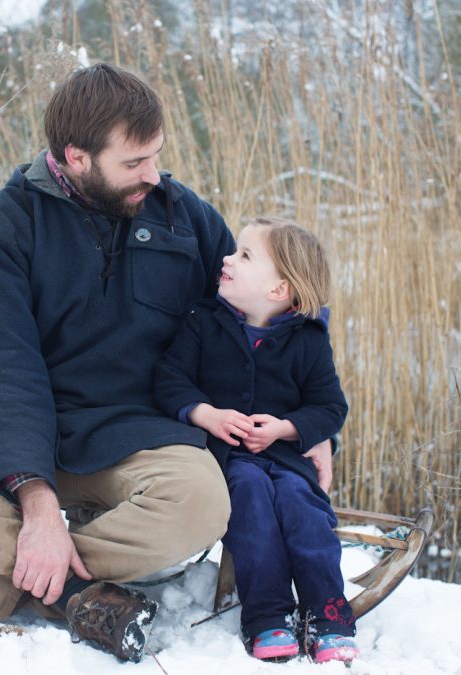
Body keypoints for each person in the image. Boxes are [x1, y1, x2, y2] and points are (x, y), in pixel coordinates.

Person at [0, 64, 241, 663]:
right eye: (134, 163)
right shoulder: (6, 228)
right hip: (29, 426)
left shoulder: (184, 218)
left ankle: (4, 581)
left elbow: (259, 322)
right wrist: (37, 503)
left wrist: (308, 426)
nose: (155, 175)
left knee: (201, 503)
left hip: (140, 433)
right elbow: (5, 370)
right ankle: (76, 594)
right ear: (77, 157)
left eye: (156, 156)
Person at [154, 218, 358, 664]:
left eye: (244, 255)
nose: (227, 257)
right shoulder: (204, 322)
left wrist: (286, 428)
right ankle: (267, 616)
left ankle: (327, 614)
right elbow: (169, 381)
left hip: (286, 459)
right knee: (250, 505)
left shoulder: (308, 341)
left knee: (303, 511)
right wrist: (205, 413)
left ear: (278, 290)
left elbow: (330, 407)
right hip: (228, 458)